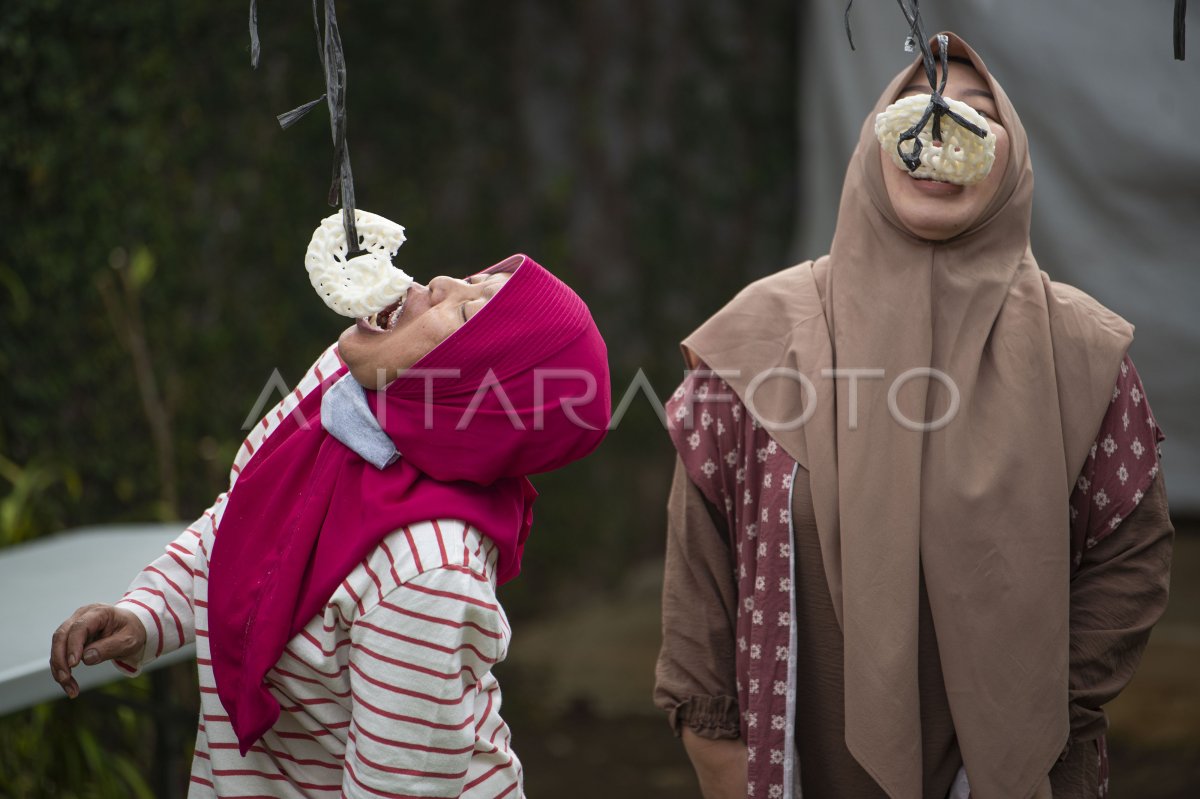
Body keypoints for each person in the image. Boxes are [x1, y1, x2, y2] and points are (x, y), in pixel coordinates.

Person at [654, 33, 1173, 799]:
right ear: (875, 142)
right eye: (917, 113)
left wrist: (1041, 718)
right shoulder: (758, 335)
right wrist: (715, 741)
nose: (938, 135)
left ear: (1012, 163)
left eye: (972, 119)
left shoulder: (1081, 353)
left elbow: (1130, 552)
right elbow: (701, 568)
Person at [50, 254, 611, 798]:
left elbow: (395, 788)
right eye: (470, 281)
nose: (440, 282)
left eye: (466, 313)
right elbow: (244, 524)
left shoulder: (427, 572)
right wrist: (145, 613)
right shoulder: (343, 397)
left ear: (468, 389)